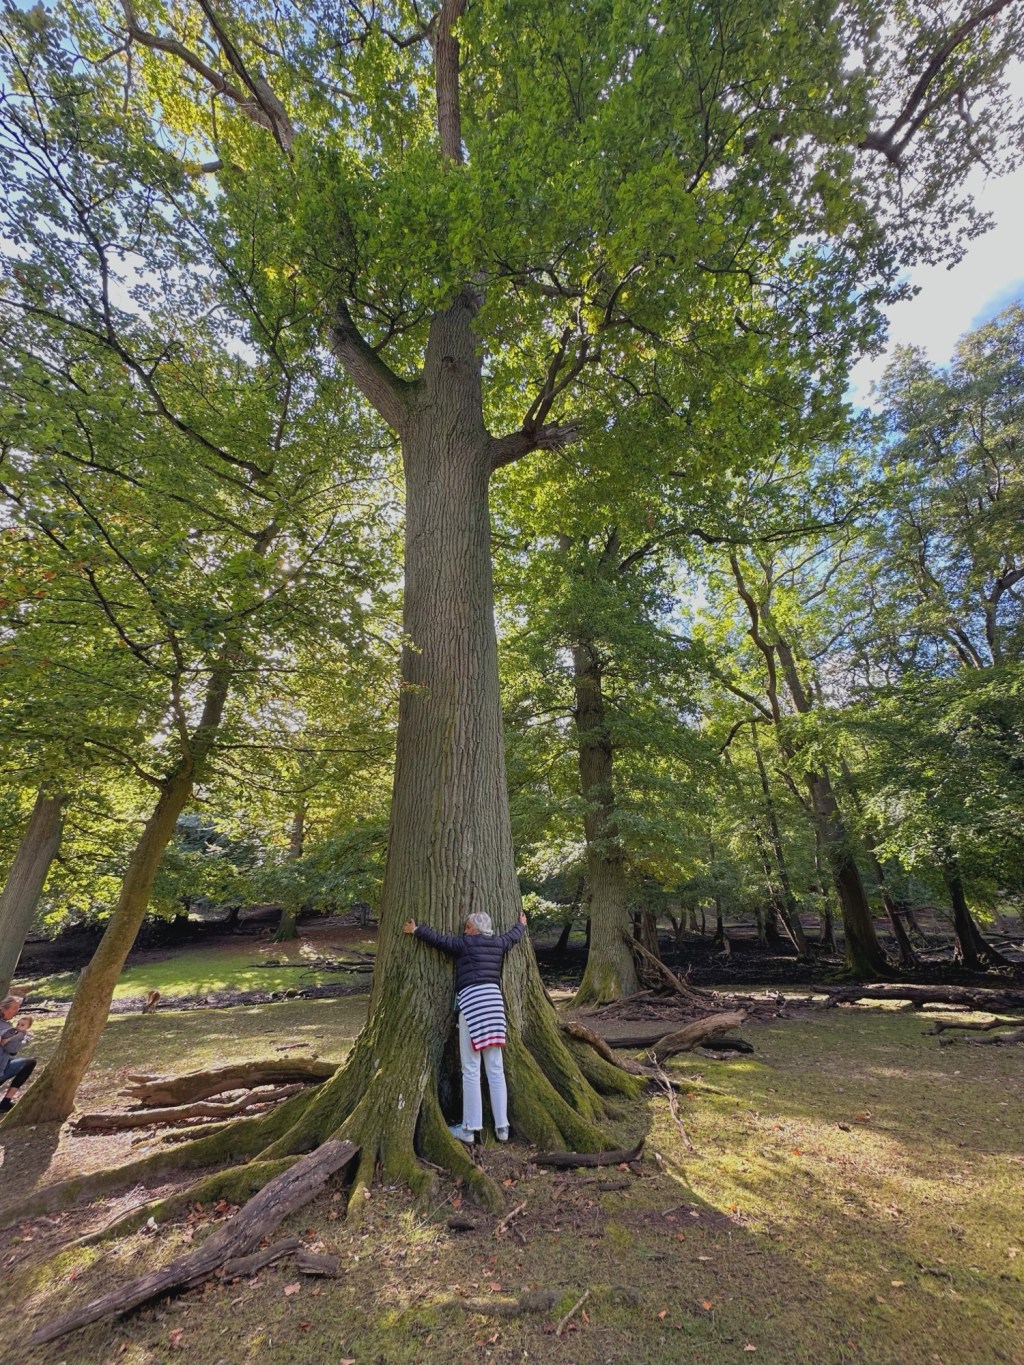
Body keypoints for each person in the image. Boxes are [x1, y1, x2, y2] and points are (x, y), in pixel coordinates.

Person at [404, 908, 528, 1143]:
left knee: (470, 1069)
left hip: (473, 1007)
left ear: (473, 929)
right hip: (495, 1007)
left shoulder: (465, 945)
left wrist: (417, 929)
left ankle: (470, 1129)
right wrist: (521, 925)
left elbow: (440, 941)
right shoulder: (498, 943)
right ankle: (502, 1128)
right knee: (495, 1069)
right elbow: (513, 937)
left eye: (466, 926)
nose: (463, 929)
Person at [0, 994, 36, 1113]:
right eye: (14, 1008)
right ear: (4, 1008)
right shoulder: (6, 1028)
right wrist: (24, 1037)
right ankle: (5, 1102)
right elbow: (12, 1049)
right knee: (30, 1063)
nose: (17, 1011)